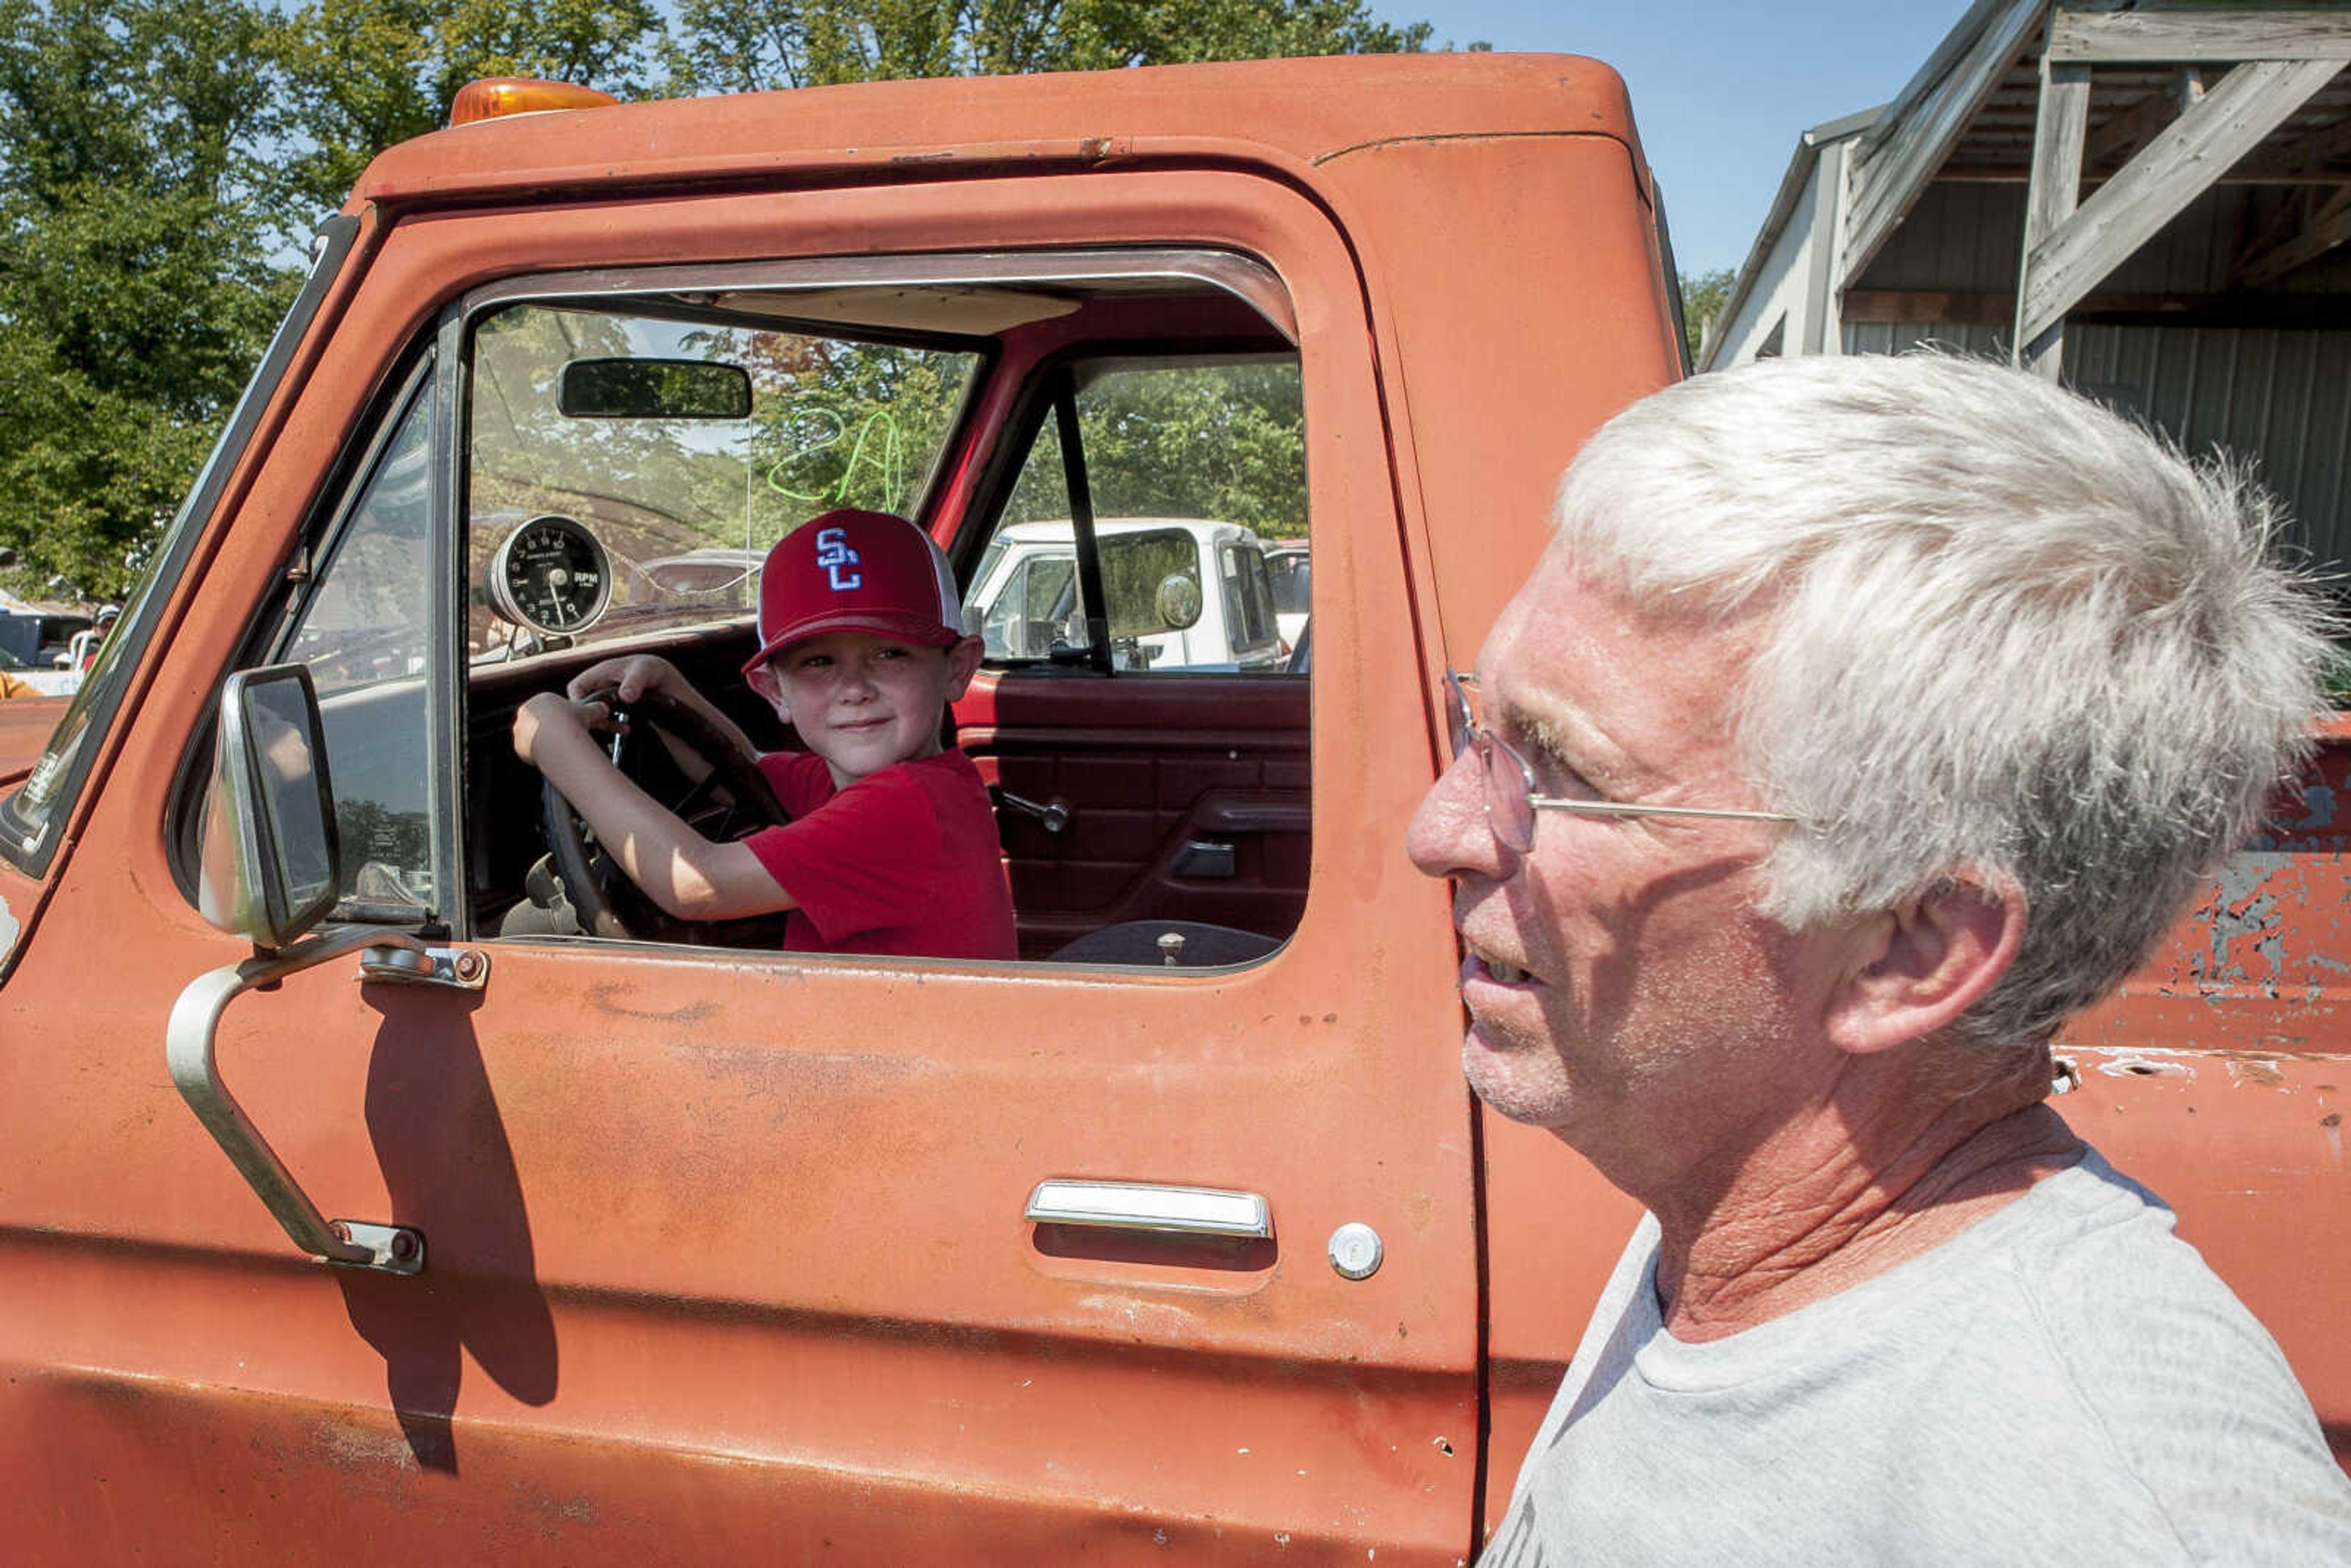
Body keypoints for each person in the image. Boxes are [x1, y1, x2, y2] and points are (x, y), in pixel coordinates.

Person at [1407, 354, 2351, 1563]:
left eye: (1568, 772)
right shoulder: (1737, 1208)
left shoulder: (2101, 1502)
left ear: (1909, 951)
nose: (1439, 829)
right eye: (1483, 724)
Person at [513, 508, 1017, 961]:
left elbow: (695, 881)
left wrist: (555, 742)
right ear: (773, 691)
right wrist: (673, 689)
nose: (854, 689)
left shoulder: (905, 807)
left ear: (957, 669)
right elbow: (742, 770)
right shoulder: (894, 784)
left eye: (890, 654)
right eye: (819, 662)